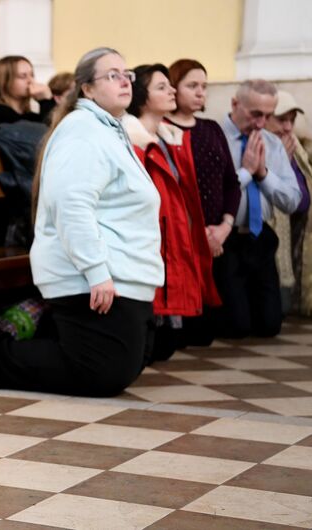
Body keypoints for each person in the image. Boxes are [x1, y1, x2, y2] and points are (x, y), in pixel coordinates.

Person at [0, 47, 163, 396]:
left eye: (127, 74)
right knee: (101, 373)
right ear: (87, 89)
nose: (124, 81)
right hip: (93, 274)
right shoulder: (82, 132)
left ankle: (39, 322)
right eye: (112, 75)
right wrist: (96, 271)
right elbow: (71, 205)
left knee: (128, 363)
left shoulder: (110, 129)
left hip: (125, 269)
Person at [122, 64, 220, 361]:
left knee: (173, 343)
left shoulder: (172, 139)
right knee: (154, 346)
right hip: (149, 239)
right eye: (162, 87)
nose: (172, 91)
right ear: (142, 96)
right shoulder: (132, 140)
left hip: (174, 236)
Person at [164, 59, 242, 346]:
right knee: (190, 335)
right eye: (192, 86)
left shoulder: (211, 129)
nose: (200, 93)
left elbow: (231, 183)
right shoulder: (163, 129)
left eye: (204, 87)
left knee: (228, 326)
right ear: (174, 88)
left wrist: (224, 226)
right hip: (182, 239)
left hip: (217, 237)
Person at [216, 80, 301, 337]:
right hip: (225, 239)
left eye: (268, 115)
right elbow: (211, 197)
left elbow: (291, 200)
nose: (262, 123)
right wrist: (245, 172)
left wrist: (263, 174)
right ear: (235, 104)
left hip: (259, 236)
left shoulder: (272, 144)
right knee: (237, 327)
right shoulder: (214, 136)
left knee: (269, 326)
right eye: (255, 114)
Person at [266, 90, 312, 315]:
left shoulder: (296, 146)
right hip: (271, 246)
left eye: (292, 120)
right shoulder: (264, 147)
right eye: (281, 119)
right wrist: (278, 161)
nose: (287, 127)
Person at [0, 55, 55, 139]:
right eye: (23, 76)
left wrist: (47, 101)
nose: (31, 81)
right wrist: (45, 101)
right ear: (5, 82)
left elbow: (54, 133)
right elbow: (31, 137)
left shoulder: (31, 116)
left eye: (32, 75)